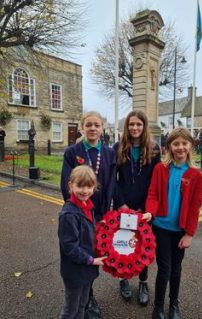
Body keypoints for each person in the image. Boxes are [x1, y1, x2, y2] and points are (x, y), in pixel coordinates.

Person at [60, 111, 116, 319]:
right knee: (81, 250)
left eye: (97, 125)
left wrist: (107, 211)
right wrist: (77, 207)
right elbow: (67, 183)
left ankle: (87, 296)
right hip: (81, 212)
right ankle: (86, 297)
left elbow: (111, 184)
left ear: (102, 129)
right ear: (82, 127)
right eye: (89, 124)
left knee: (95, 253)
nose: (93, 128)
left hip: (100, 212)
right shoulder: (73, 151)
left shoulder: (109, 152)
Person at [145, 128, 202, 319]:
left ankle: (174, 304)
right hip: (161, 226)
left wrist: (189, 234)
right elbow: (153, 194)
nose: (180, 147)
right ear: (169, 146)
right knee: (164, 269)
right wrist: (150, 213)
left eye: (184, 143)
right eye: (176, 143)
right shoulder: (160, 169)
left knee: (176, 269)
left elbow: (195, 207)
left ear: (190, 146)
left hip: (180, 230)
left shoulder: (195, 175)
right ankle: (158, 307)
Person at [113, 110, 161, 306]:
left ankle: (143, 282)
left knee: (143, 246)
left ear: (144, 127)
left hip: (145, 210)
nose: (134, 128)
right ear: (127, 126)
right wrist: (122, 204)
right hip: (123, 206)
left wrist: (146, 209)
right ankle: (123, 279)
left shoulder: (154, 149)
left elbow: (156, 182)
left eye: (138, 125)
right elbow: (112, 181)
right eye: (131, 124)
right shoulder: (118, 147)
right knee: (122, 245)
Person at [58, 165, 107, 319]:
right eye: (80, 186)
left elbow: (87, 231)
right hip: (75, 270)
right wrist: (90, 260)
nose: (84, 191)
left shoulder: (88, 206)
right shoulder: (69, 214)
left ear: (94, 187)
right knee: (70, 310)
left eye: (89, 186)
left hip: (86, 269)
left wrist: (99, 227)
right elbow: (70, 247)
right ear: (70, 185)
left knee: (82, 304)